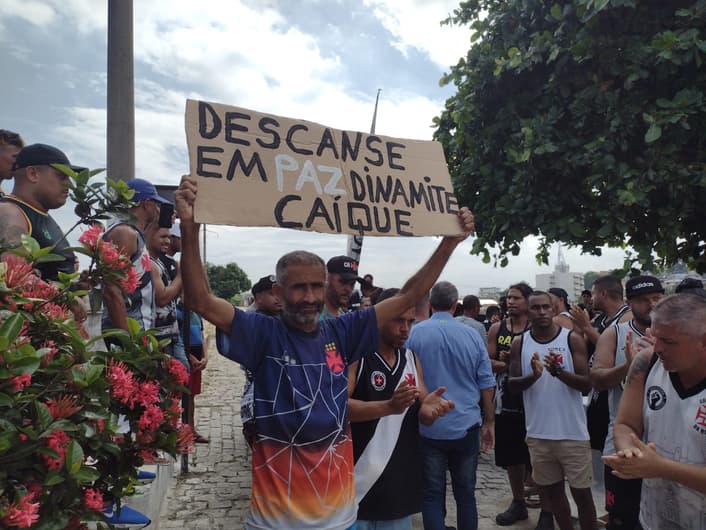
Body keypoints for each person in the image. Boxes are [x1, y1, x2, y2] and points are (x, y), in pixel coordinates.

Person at [175, 175, 475, 530]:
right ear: (278, 290)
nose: (310, 297)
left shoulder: (342, 331)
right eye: (299, 287)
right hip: (275, 520)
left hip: (339, 516)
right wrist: (190, 229)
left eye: (316, 286)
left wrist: (449, 243)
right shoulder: (262, 332)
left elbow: (407, 297)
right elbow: (199, 300)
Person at [348, 288, 454, 529]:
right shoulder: (357, 356)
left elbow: (423, 406)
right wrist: (387, 407)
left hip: (398, 485)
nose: (406, 328)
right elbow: (337, 408)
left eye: (410, 321)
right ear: (379, 316)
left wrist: (430, 410)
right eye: (398, 320)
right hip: (356, 484)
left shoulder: (411, 358)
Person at [603, 293, 706, 529]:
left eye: (669, 342)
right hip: (653, 516)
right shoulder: (646, 363)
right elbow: (625, 423)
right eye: (656, 336)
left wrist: (660, 468)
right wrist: (630, 453)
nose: (657, 347)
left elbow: (657, 466)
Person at [406, 281, 495, 530]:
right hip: (466, 425)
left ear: (431, 304)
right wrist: (489, 421)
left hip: (428, 426)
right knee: (466, 494)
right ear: (456, 306)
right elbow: (486, 383)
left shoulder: (415, 334)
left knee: (432, 495)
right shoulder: (472, 335)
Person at [508, 291, 596, 530]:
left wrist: (558, 372)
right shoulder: (520, 342)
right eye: (536, 308)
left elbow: (586, 384)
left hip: (572, 434)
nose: (543, 312)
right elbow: (512, 385)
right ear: (529, 311)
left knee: (582, 496)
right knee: (554, 497)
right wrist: (533, 376)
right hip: (538, 434)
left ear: (553, 309)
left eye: (546, 307)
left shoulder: (572, 339)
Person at [590, 276, 664, 530]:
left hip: (666, 444)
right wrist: (628, 366)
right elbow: (597, 379)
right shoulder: (615, 333)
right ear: (629, 302)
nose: (651, 305)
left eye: (656, 298)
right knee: (622, 517)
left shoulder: (678, 334)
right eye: (643, 300)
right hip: (623, 441)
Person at [487, 282, 547, 527]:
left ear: (527, 301)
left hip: (538, 399)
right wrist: (509, 364)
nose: (510, 302)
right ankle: (518, 501)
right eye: (508, 298)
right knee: (512, 455)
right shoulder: (497, 329)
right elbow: (487, 362)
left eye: (516, 298)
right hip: (507, 400)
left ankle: (548, 506)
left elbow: (542, 363)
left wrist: (514, 362)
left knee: (541, 454)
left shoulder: (538, 329)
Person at [0, 143, 84, 281]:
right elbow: (14, 282)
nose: (70, 184)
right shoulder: (11, 213)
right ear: (33, 174)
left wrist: (77, 285)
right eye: (62, 176)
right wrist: (71, 300)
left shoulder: (43, 217)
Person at [102, 178, 171, 334]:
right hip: (128, 333)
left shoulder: (135, 235)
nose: (158, 210)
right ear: (146, 204)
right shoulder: (124, 233)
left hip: (139, 329)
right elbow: (112, 291)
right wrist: (130, 343)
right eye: (157, 205)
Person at [240, 274, 282, 447]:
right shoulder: (251, 319)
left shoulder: (285, 316)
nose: (278, 298)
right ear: (258, 297)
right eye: (272, 294)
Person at [147, 226, 188, 369]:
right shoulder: (150, 264)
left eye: (169, 237)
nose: (167, 241)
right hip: (159, 335)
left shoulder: (160, 263)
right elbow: (163, 298)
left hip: (170, 331)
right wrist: (182, 274)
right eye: (162, 237)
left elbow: (174, 295)